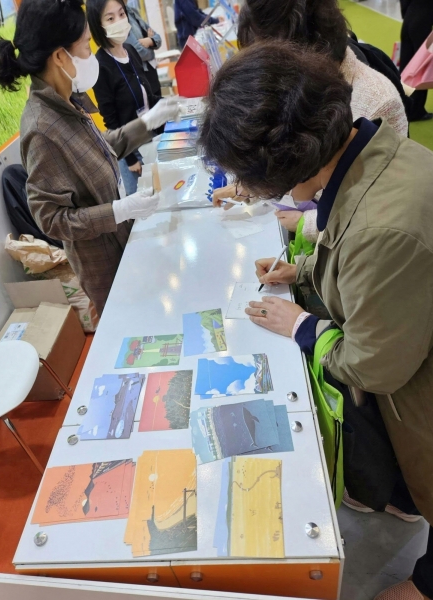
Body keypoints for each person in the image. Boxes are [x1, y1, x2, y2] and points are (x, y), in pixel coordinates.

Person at [199, 41, 433, 600]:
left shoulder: (379, 227)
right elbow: (359, 255)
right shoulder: (380, 153)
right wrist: (302, 269)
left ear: (282, 165)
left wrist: (302, 325)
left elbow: (373, 365)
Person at [0, 0, 179, 316]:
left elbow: (100, 148)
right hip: (103, 267)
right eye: (86, 45)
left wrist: (147, 123)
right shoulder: (42, 128)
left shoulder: (67, 100)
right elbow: (51, 219)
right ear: (60, 56)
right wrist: (118, 210)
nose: (92, 54)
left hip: (123, 242)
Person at [214, 0, 408, 247]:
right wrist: (255, 183)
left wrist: (307, 223)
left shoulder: (375, 102)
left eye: (268, 61)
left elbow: (378, 213)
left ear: (305, 54)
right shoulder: (296, 92)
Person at [87, 0, 161, 195]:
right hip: (130, 149)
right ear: (98, 25)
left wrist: (167, 107)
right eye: (110, 18)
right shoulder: (100, 65)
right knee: (142, 202)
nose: (119, 21)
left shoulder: (131, 50)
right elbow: (110, 120)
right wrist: (130, 158)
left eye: (121, 14)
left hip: (150, 137)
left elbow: (146, 95)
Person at [400, 0, 433, 121]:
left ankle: (404, 105)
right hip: (423, 21)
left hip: (409, 18)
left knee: (406, 66)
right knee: (421, 68)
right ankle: (416, 111)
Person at [125, 4, 162, 97]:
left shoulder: (132, 11)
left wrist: (150, 40)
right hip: (140, 74)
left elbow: (158, 38)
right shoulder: (121, 19)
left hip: (151, 69)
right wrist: (152, 48)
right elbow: (138, 52)